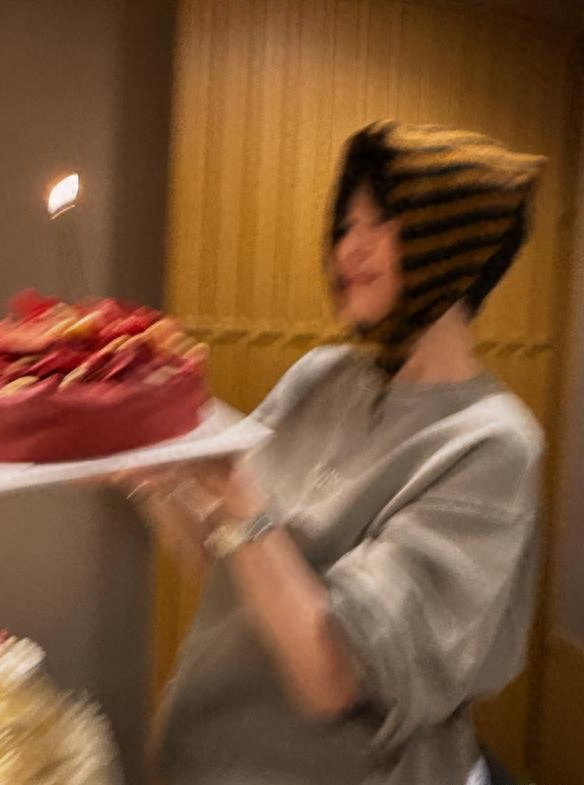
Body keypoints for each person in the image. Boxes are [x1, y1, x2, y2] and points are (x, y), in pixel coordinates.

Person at [119, 121, 545, 785]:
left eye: (386, 222)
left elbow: (331, 676)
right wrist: (140, 471)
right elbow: (225, 556)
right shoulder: (322, 376)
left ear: (450, 241)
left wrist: (237, 491)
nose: (350, 247)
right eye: (346, 225)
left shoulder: (491, 443)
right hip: (200, 759)